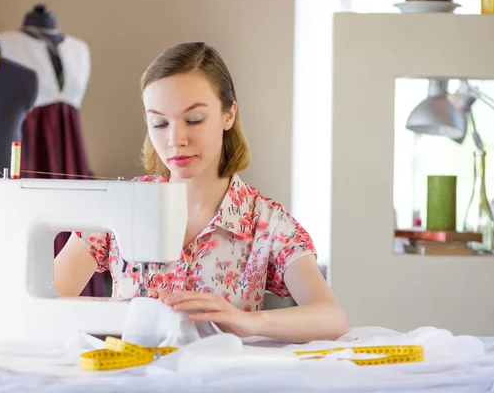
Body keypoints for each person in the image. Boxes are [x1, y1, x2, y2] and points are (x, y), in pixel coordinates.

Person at [54, 42, 348, 344]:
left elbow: (331, 317)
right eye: (159, 123)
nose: (175, 139)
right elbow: (41, 305)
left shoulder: (266, 223)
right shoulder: (121, 205)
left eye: (193, 119)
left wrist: (249, 322)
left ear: (228, 115)